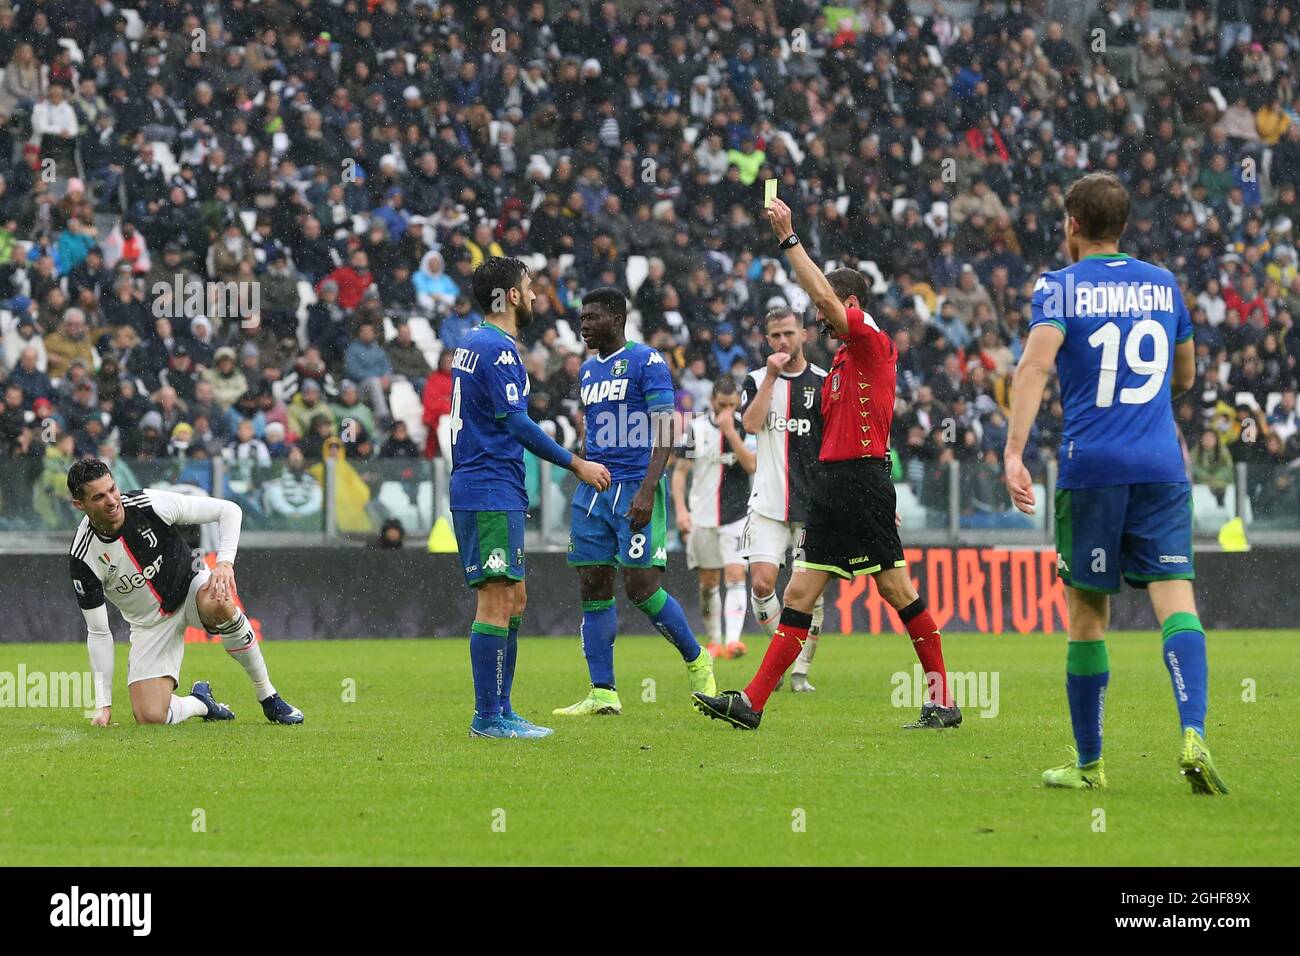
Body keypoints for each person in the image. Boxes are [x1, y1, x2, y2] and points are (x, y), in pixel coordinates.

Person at [693, 199, 960, 731]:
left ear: (851, 303)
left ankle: (942, 700)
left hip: (861, 481)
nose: (819, 317)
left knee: (896, 590)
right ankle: (752, 704)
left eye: (827, 308)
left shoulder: (869, 340)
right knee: (797, 594)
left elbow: (821, 296)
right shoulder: (841, 362)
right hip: (833, 488)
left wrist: (789, 239)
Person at [1006, 172, 1227, 793]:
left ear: (1072, 224)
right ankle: (1193, 732)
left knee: (1087, 617)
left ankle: (1091, 765)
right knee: (1175, 600)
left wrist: (1013, 451)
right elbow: (1183, 374)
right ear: (1123, 225)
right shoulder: (1164, 284)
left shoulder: (1057, 288)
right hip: (1161, 465)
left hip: (1093, 469)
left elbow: (1035, 365)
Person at [451, 257, 610, 738]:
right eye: (529, 286)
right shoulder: (496, 350)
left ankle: (503, 708)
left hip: (496, 485)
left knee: (514, 597)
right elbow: (516, 423)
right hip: (488, 487)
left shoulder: (476, 345)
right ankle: (488, 717)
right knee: (496, 601)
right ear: (512, 296)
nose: (537, 294)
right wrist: (576, 463)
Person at [554, 287, 718, 717]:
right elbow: (594, 429)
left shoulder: (646, 361)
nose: (584, 324)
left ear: (616, 318)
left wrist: (648, 489)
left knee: (641, 587)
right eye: (582, 318)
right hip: (594, 490)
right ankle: (603, 692)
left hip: (635, 486)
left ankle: (697, 658)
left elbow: (666, 428)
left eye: (592, 317)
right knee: (592, 583)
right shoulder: (589, 372)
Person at [66, 458, 303, 726]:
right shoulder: (83, 558)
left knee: (220, 600)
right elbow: (98, 633)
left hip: (191, 590)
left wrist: (225, 563)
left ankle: (268, 696)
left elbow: (229, 510)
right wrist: (103, 705)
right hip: (149, 626)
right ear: (80, 505)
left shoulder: (149, 504)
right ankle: (200, 702)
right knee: (150, 717)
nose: (111, 500)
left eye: (112, 489)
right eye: (99, 496)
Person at [738, 306, 829, 691]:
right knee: (762, 584)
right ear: (767, 339)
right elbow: (751, 424)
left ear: (804, 334)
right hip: (768, 504)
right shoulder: (756, 379)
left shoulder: (825, 382)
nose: (782, 342)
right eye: (775, 336)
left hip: (813, 508)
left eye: (789, 333)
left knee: (808, 593)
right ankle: (781, 657)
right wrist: (772, 378)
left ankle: (800, 672)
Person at [672, 377, 755, 659]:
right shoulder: (696, 428)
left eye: (733, 406)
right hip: (702, 517)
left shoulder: (747, 427)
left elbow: (751, 465)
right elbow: (680, 473)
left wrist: (731, 433)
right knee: (708, 583)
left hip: (736, 516)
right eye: (723, 406)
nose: (728, 411)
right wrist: (682, 511)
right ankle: (714, 640)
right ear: (712, 402)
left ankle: (733, 641)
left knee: (735, 574)